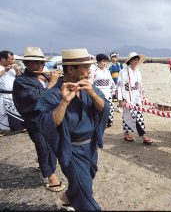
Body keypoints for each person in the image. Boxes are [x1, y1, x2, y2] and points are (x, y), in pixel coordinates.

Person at [35, 48, 110, 210]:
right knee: (85, 193)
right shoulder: (52, 95)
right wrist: (64, 102)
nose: (90, 72)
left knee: (87, 177)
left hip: (90, 148)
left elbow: (105, 108)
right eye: (86, 68)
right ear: (71, 69)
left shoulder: (88, 88)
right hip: (71, 150)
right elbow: (46, 125)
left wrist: (93, 95)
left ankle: (67, 198)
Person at [13, 47, 65, 192]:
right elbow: (37, 98)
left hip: (51, 118)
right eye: (35, 62)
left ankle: (46, 165)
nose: (39, 65)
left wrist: (59, 79)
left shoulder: (45, 76)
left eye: (41, 62)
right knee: (43, 147)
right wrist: (52, 83)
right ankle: (50, 175)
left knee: (52, 145)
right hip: (35, 120)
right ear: (27, 63)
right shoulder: (21, 81)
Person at [117, 52, 153, 144]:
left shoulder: (138, 72)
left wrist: (143, 97)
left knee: (135, 116)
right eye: (134, 59)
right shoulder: (123, 72)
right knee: (131, 116)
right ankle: (143, 135)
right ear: (130, 61)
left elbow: (140, 86)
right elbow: (119, 87)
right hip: (127, 98)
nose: (136, 61)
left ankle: (126, 134)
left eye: (137, 60)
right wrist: (120, 100)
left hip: (137, 97)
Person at [0, 50, 23, 136]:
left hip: (13, 93)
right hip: (2, 94)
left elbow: (20, 79)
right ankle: (3, 129)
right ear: (3, 59)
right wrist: (4, 71)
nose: (13, 61)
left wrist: (17, 71)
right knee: (2, 113)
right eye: (11, 59)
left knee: (14, 111)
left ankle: (15, 128)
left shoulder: (12, 68)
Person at [91, 53, 116, 128]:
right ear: (98, 62)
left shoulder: (107, 71)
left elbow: (111, 82)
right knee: (99, 112)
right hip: (98, 94)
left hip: (108, 94)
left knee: (109, 111)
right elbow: (90, 83)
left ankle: (107, 123)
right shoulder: (94, 71)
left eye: (106, 61)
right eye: (103, 61)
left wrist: (114, 90)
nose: (105, 63)